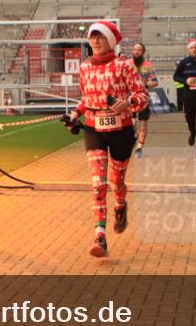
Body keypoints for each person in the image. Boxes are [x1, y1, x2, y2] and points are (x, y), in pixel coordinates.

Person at [64, 20, 149, 258]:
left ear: (110, 41)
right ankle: (100, 236)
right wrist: (74, 115)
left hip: (122, 132)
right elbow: (86, 99)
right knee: (97, 184)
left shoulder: (124, 66)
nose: (95, 41)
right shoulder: (84, 68)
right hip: (94, 131)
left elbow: (143, 95)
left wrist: (128, 103)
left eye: (100, 36)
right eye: (92, 37)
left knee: (115, 182)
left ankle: (120, 204)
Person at [131, 42, 158, 158]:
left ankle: (139, 147)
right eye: (135, 49)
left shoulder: (148, 65)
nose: (136, 52)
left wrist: (144, 86)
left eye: (139, 50)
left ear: (143, 52)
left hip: (143, 99)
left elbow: (155, 82)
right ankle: (134, 136)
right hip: (129, 99)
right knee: (131, 124)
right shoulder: (127, 64)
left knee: (143, 124)